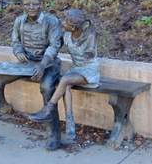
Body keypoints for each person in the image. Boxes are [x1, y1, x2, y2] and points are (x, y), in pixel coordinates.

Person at [0, 0, 62, 150]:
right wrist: (18, 52)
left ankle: (54, 134)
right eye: (27, 4)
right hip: (26, 63)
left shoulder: (51, 21)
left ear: (41, 4)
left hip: (48, 64)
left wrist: (42, 63)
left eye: (35, 4)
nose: (31, 7)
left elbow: (54, 45)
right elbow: (15, 42)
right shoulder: (19, 21)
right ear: (22, 5)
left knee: (46, 87)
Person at [28, 9, 100, 140]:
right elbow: (56, 46)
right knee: (64, 84)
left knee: (65, 79)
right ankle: (70, 123)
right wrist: (43, 51)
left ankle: (48, 109)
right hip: (75, 69)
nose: (62, 23)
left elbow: (91, 47)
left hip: (89, 71)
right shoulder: (66, 34)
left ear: (72, 27)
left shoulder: (90, 36)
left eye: (65, 22)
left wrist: (91, 50)